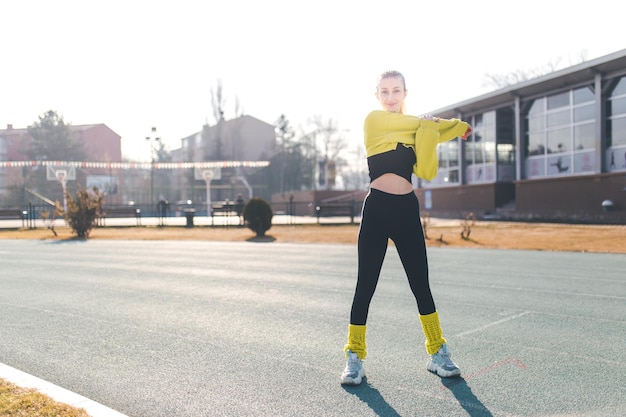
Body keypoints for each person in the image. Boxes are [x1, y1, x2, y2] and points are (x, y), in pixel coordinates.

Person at [340, 70, 472, 385]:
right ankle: (354, 357)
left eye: (396, 91)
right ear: (377, 96)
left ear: (404, 93)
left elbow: (430, 151)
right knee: (365, 285)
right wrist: (444, 125)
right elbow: (424, 125)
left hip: (406, 210)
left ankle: (437, 352)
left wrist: (451, 130)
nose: (390, 97)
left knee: (420, 284)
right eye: (384, 91)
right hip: (378, 209)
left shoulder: (418, 129)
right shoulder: (374, 120)